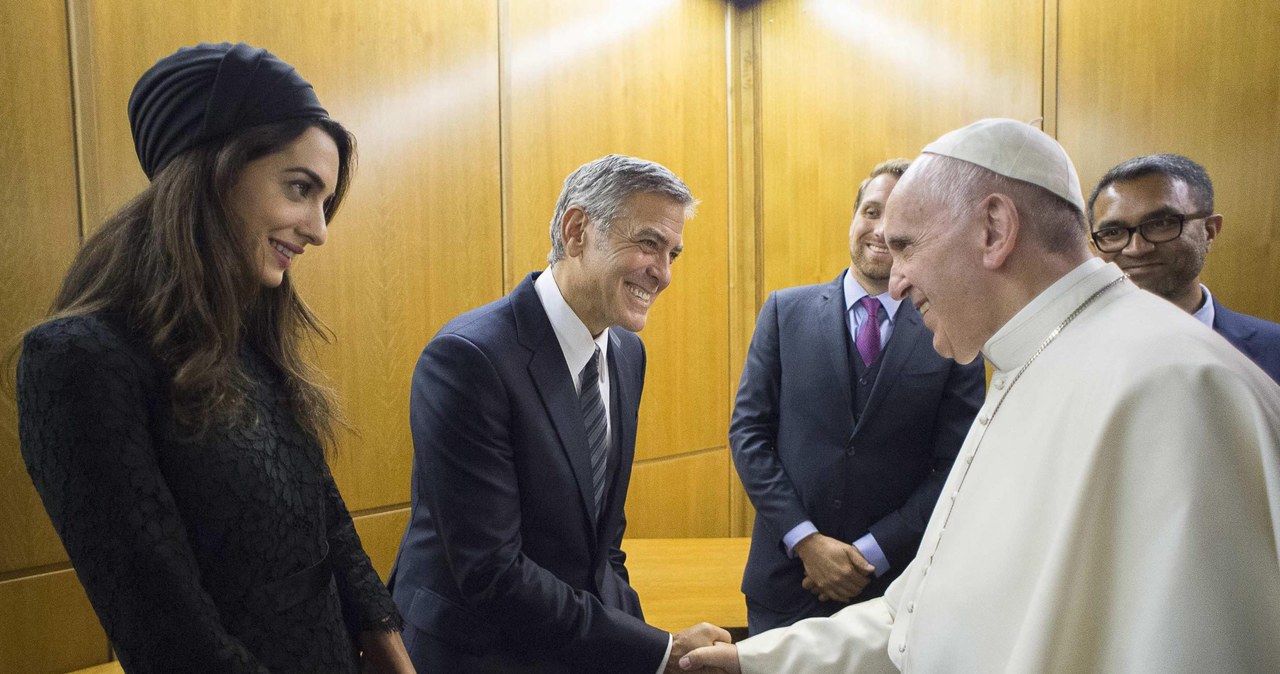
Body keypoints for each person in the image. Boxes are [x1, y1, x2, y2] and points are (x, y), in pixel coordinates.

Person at [680, 119, 1280, 673]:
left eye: (909, 246)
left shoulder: (1179, 389)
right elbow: (922, 614)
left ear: (994, 229)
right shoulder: (1028, 357)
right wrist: (753, 660)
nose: (897, 279)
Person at [15, 42, 412, 673]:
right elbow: (165, 628)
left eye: (323, 200)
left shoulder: (250, 329)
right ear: (216, 173)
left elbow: (324, 518)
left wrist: (387, 641)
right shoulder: (76, 360)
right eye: (300, 188)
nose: (318, 229)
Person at [388, 154, 731, 673]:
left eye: (673, 253)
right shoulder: (468, 358)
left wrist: (641, 648)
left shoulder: (625, 353)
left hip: (571, 646)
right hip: (478, 655)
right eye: (648, 243)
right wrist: (656, 651)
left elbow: (602, 547)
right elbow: (493, 572)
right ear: (576, 231)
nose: (662, 274)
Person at [730, 159, 984, 633]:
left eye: (901, 219)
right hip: (786, 584)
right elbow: (749, 435)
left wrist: (870, 554)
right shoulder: (785, 312)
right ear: (854, 217)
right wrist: (806, 542)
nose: (882, 229)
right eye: (871, 211)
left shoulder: (954, 328)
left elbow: (960, 463)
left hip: (895, 591)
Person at [1088, 153, 1280, 383]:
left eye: (1161, 224)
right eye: (1113, 233)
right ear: (1094, 247)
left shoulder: (1273, 348)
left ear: (1209, 231)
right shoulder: (1068, 350)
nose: (1136, 248)